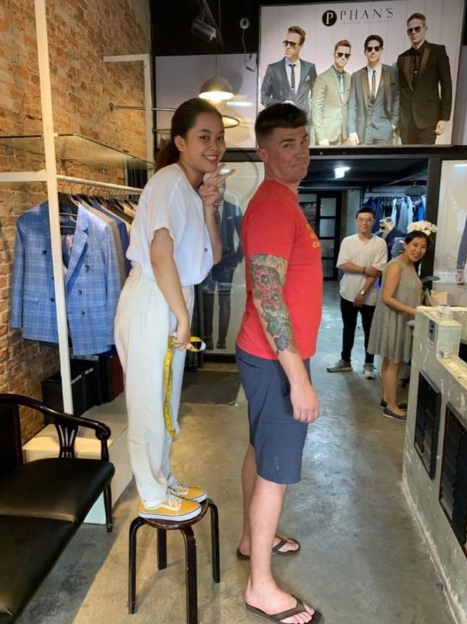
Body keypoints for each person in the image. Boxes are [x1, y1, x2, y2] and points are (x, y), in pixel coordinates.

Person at [114, 98, 232, 522]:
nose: (215, 146)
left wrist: (208, 206)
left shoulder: (189, 189)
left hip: (171, 295)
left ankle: (162, 478)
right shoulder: (166, 181)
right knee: (149, 399)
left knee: (166, 396)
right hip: (153, 298)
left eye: (219, 137)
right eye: (204, 137)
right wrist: (182, 316)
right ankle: (149, 492)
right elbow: (160, 254)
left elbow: (214, 255)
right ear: (180, 141)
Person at [236, 103, 324, 624]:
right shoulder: (271, 205)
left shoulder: (284, 201)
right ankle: (261, 587)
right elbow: (269, 297)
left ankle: (253, 541)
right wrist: (299, 381)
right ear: (263, 152)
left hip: (270, 355)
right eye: (287, 144)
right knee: (276, 470)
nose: (300, 152)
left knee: (259, 449)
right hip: (276, 360)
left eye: (303, 141)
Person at [368, 230, 429, 420]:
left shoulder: (410, 265)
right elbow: (387, 297)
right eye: (415, 245)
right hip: (393, 319)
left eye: (423, 247)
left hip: (401, 319)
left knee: (390, 362)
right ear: (405, 245)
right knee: (393, 363)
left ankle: (387, 399)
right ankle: (392, 407)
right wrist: (415, 311)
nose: (418, 250)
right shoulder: (397, 265)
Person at [327, 208, 387, 378]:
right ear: (356, 221)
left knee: (369, 330)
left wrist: (362, 292)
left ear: (373, 222)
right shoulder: (348, 241)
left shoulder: (379, 243)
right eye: (361, 219)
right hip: (347, 292)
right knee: (348, 328)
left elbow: (377, 272)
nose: (364, 223)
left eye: (368, 219)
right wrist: (364, 269)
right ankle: (345, 360)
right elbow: (342, 264)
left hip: (370, 295)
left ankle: (369, 364)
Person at [397, 13, 452, 145]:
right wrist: (398, 120)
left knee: (425, 156)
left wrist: (444, 118)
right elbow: (400, 90)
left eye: (417, 29)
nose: (414, 32)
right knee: (405, 157)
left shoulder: (437, 51)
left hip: (428, 120)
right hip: (406, 122)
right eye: (410, 30)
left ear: (425, 29)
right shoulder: (402, 58)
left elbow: (446, 85)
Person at [202, 183, 243, 350]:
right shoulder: (201, 208)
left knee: (225, 301)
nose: (217, 191)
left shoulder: (233, 208)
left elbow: (244, 234)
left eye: (220, 187)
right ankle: (208, 338)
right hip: (206, 260)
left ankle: (222, 339)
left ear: (225, 189)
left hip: (227, 260)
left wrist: (237, 257)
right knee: (207, 301)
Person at [348, 35, 399, 146]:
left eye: (376, 48)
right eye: (369, 49)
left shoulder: (392, 72)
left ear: (381, 51)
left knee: (384, 157)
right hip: (364, 130)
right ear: (365, 51)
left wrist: (393, 124)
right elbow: (352, 105)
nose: (373, 51)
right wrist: (352, 131)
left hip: (385, 128)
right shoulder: (356, 76)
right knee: (362, 157)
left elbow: (397, 98)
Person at [260, 26, 317, 119]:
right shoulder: (273, 69)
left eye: (292, 44)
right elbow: (263, 97)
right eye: (286, 43)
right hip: (281, 120)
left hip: (303, 121)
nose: (288, 47)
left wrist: (310, 111)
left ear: (301, 46)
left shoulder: (310, 68)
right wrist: (281, 105)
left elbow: (316, 95)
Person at [311, 39, 352, 146]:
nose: (343, 57)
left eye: (346, 55)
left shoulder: (349, 78)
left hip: (344, 134)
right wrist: (321, 136)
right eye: (340, 54)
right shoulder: (322, 78)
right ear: (334, 55)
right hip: (327, 135)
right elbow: (316, 109)